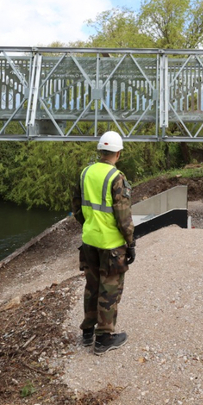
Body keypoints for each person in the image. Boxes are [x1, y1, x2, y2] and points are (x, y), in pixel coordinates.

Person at [72, 130, 135, 355]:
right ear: (118, 153)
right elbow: (123, 215)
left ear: (101, 151)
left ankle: (88, 332)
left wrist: (89, 224)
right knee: (109, 289)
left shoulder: (85, 173)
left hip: (89, 240)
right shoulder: (116, 177)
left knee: (92, 286)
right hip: (111, 244)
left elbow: (76, 209)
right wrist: (131, 242)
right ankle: (104, 338)